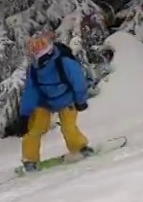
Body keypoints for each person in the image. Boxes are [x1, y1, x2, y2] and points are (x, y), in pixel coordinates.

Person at [15, 31, 94, 171]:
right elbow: (31, 92)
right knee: (34, 130)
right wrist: (24, 115)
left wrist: (80, 100)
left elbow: (78, 80)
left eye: (41, 44)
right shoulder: (35, 68)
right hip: (45, 102)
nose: (38, 48)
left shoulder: (63, 61)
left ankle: (81, 149)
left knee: (68, 128)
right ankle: (30, 160)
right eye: (34, 46)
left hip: (67, 99)